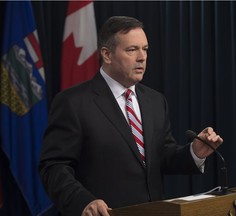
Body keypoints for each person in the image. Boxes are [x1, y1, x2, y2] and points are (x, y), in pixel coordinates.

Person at [38, 16, 223, 216]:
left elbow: (163, 155)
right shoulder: (73, 102)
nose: (142, 57)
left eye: (145, 49)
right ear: (107, 55)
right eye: (132, 49)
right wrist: (83, 201)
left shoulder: (155, 101)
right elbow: (54, 167)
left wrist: (194, 152)